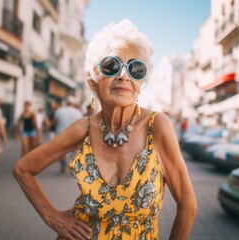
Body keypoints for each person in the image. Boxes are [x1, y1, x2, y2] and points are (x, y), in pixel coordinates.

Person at [13, 19, 197, 240]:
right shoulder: (83, 129)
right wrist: (53, 217)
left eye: (135, 69)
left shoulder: (157, 126)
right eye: (112, 66)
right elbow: (23, 169)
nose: (123, 75)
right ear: (92, 80)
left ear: (140, 84)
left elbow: (188, 206)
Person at [53, 96, 83, 174]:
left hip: (60, 135)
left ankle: (63, 169)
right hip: (74, 136)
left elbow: (54, 122)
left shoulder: (59, 111)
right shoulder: (78, 112)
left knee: (61, 153)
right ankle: (71, 168)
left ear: (67, 103)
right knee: (74, 152)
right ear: (73, 103)